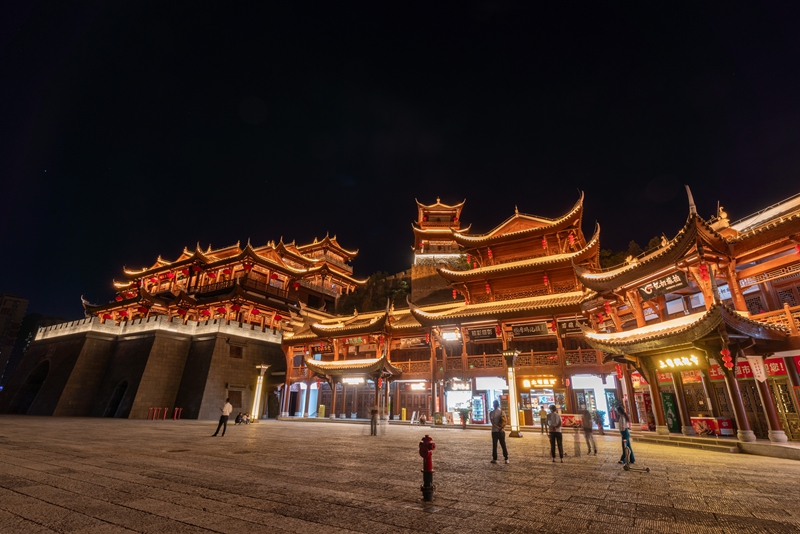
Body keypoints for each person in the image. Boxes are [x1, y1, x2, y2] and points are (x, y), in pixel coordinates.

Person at [489, 400, 509, 464]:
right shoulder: (502, 412)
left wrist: (497, 427)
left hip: (494, 431)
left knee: (495, 445)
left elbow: (492, 422)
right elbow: (505, 421)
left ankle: (494, 459)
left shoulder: (492, 413)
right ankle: (506, 458)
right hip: (501, 431)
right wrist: (502, 428)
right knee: (503, 444)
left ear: (494, 405)